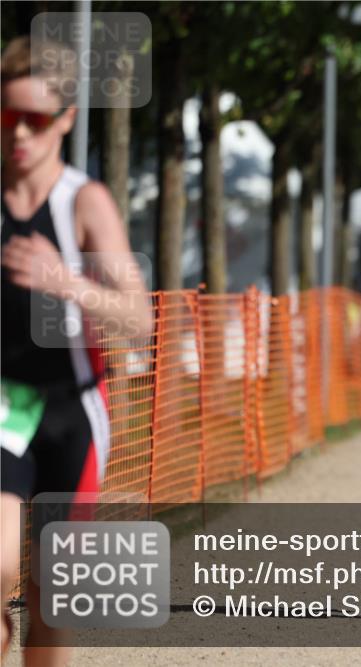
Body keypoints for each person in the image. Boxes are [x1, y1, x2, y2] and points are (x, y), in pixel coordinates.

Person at [1, 37, 152, 661]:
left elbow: (139, 319)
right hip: (6, 406)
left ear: (65, 118)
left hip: (74, 413)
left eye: (34, 121)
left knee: (50, 599)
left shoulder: (83, 202)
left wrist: (67, 282)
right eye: (6, 118)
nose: (18, 137)